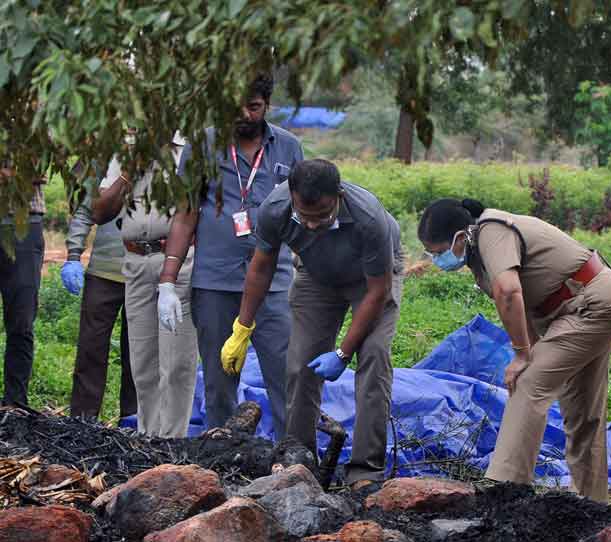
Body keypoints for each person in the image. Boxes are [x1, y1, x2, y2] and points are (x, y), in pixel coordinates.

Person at [418, 199, 611, 503]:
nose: (436, 260)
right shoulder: (478, 249)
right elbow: (525, 300)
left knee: (528, 382)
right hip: (571, 308)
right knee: (582, 410)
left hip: (590, 304)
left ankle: (504, 493)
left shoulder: (492, 232)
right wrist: (528, 347)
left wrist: (521, 355)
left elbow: (509, 291)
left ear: (460, 237)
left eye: (438, 252)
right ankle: (592, 503)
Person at [222, 159, 402, 487]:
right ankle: (299, 460)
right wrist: (242, 327)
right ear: (291, 197)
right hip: (316, 277)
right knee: (299, 365)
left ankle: (365, 471)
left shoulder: (368, 217)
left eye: (322, 215)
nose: (313, 224)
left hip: (371, 280)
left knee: (374, 358)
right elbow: (261, 267)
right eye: (304, 216)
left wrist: (343, 353)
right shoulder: (275, 209)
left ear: (339, 195)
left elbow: (379, 291)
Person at [159, 75, 302, 437]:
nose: (243, 115)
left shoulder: (288, 148)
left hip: (274, 285)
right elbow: (185, 213)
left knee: (286, 376)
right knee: (220, 380)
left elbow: (304, 214)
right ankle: (223, 457)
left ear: (266, 105)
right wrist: (167, 282)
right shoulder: (203, 147)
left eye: (253, 107)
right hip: (215, 283)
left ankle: (295, 458)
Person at [93, 134, 198, 438]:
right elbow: (101, 211)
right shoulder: (125, 148)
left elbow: (200, 209)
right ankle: (148, 437)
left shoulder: (191, 149)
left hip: (178, 260)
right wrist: (129, 169)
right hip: (136, 261)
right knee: (143, 360)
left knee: (177, 360)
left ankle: (172, 440)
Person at [64, 182, 136, 420]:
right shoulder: (106, 159)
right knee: (91, 348)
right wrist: (74, 254)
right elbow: (85, 210)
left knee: (138, 353)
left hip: (147, 272)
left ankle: (133, 420)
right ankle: (83, 420)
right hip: (103, 271)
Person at [0, 165, 46, 407]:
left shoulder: (30, 126)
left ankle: (14, 403)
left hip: (23, 222)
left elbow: (38, 168)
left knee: (21, 318)